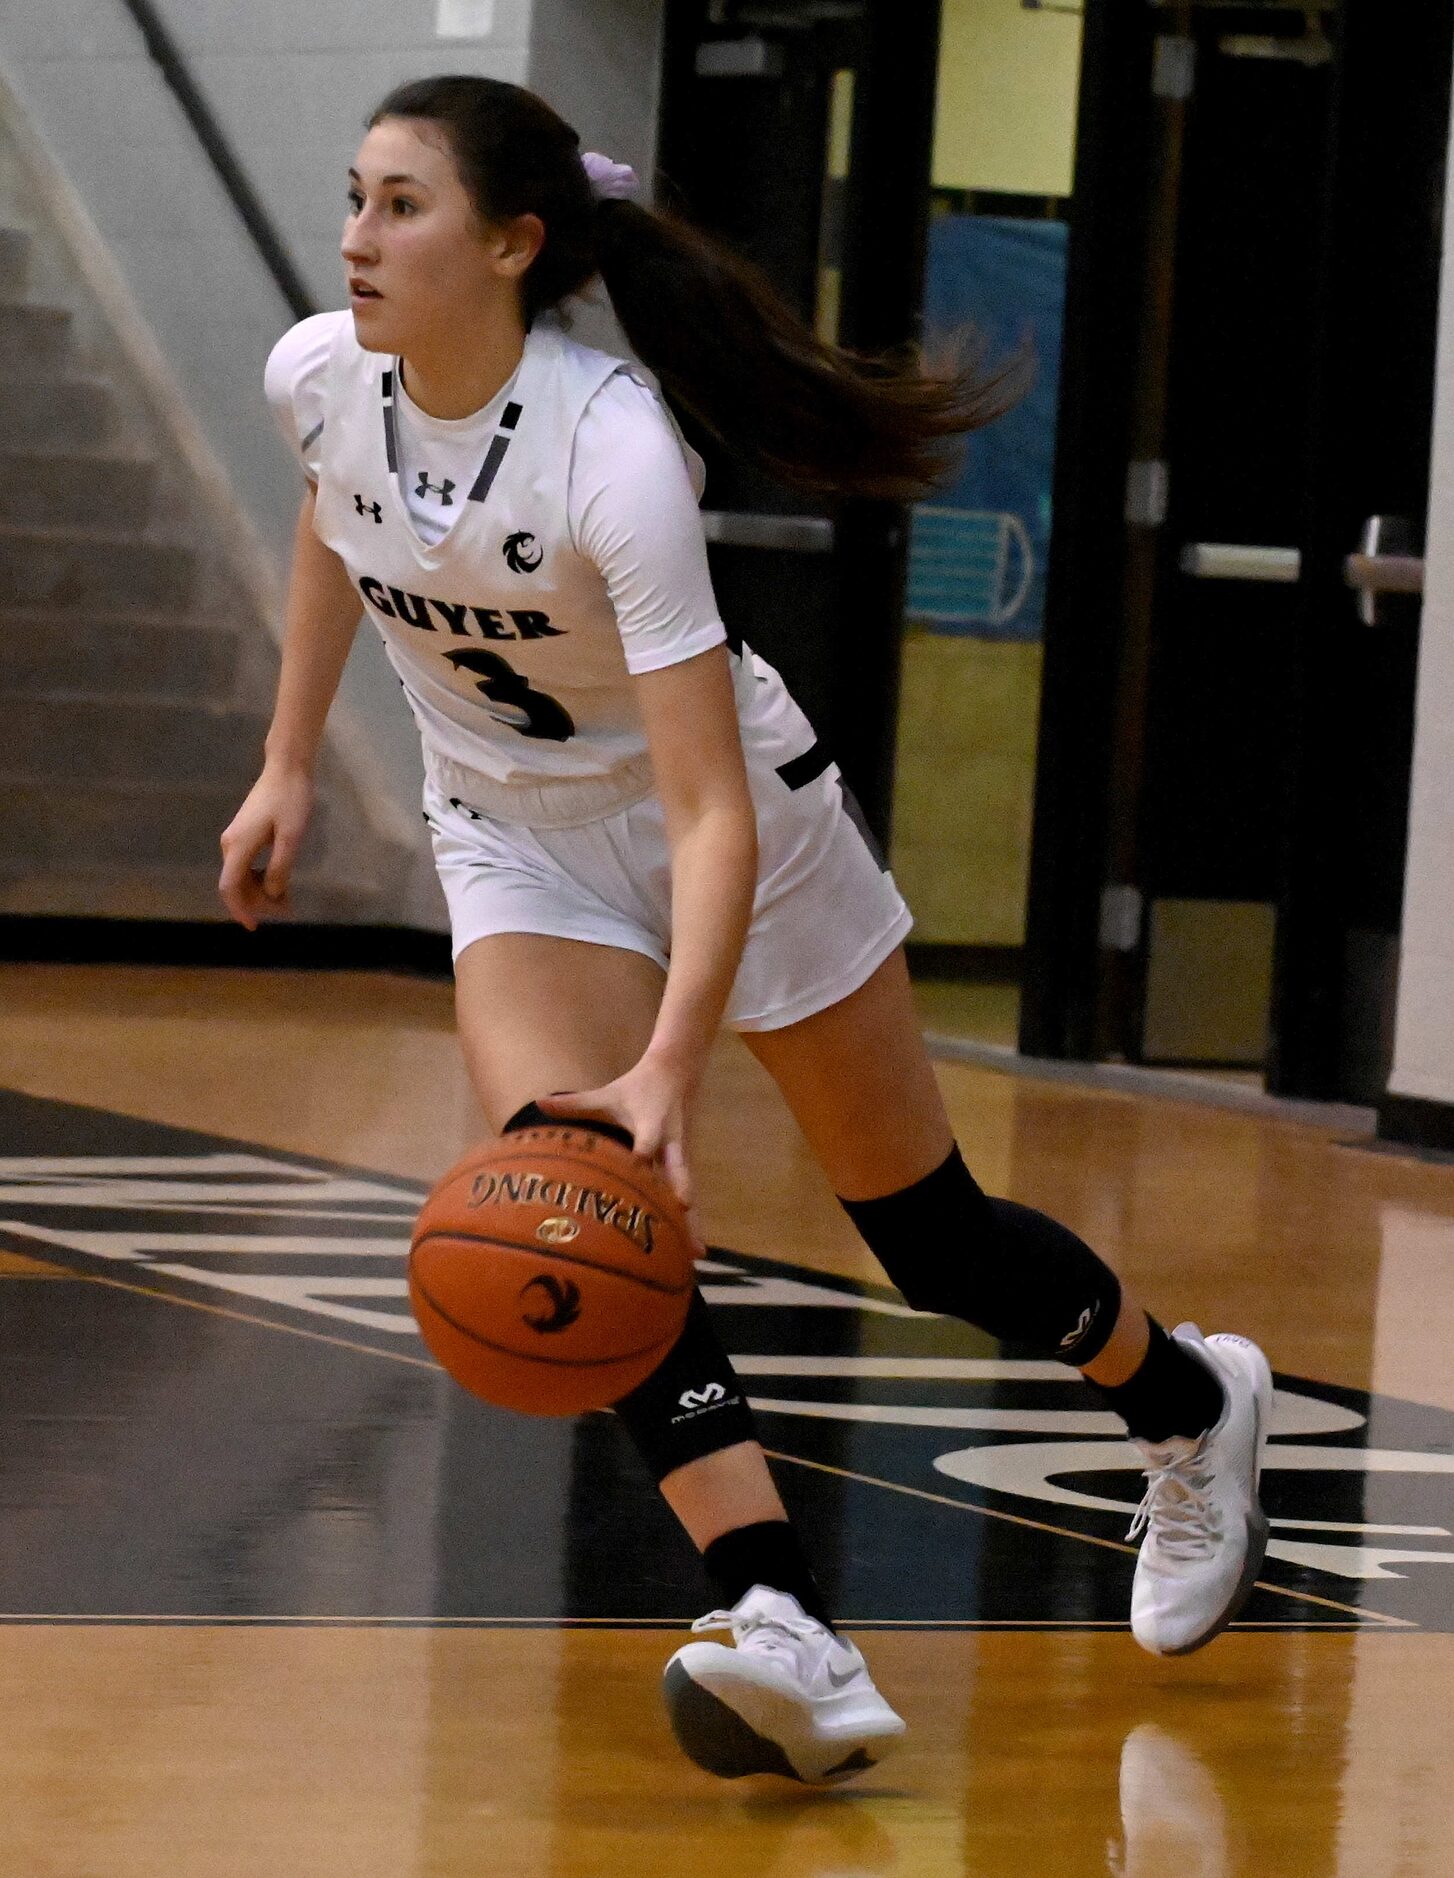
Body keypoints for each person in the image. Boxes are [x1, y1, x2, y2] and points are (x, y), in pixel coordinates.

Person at [225, 75, 1273, 1786]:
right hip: (511, 833)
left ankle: (1184, 1401)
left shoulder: (612, 446)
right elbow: (335, 525)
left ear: (511, 242)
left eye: (400, 203)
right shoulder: (317, 378)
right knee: (572, 1191)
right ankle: (784, 1614)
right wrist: (283, 762)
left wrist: (667, 1060)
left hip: (737, 828)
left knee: (923, 1234)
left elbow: (706, 809)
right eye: (354, 194)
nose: (354, 232)